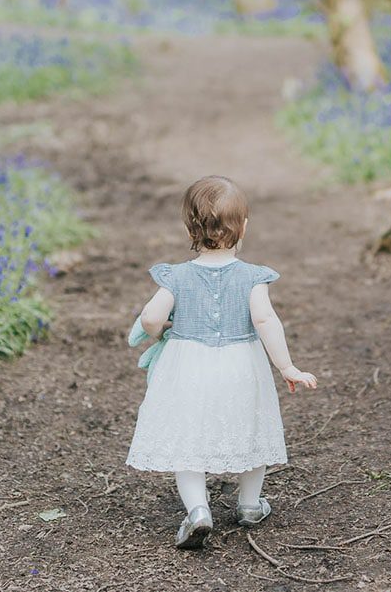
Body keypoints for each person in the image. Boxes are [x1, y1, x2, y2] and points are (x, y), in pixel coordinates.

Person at [125, 175, 318, 548]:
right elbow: (265, 321)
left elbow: (150, 318)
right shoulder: (252, 277)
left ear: (189, 228)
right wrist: (286, 367)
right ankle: (248, 505)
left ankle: (198, 511)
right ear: (244, 226)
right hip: (239, 365)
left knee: (188, 441)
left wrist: (163, 328)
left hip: (188, 366)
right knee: (251, 429)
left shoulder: (176, 277)